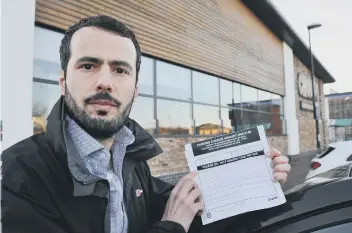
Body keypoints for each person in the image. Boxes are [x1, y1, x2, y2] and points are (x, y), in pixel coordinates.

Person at [1, 15, 291, 233]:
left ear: (135, 90)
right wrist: (171, 228)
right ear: (63, 82)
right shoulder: (20, 174)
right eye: (88, 65)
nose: (105, 81)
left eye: (120, 69)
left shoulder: (131, 160)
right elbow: (176, 220)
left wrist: (253, 179)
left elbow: (191, 211)